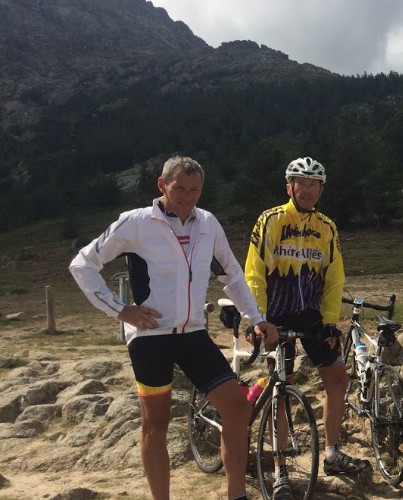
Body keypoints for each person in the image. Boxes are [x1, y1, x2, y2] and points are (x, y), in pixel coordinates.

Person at [69, 155, 277, 500]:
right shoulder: (136, 222)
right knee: (157, 424)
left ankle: (236, 495)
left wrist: (256, 318)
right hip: (150, 337)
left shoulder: (208, 223)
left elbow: (232, 276)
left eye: (195, 190)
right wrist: (121, 310)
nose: (187, 196)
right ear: (162, 184)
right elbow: (83, 264)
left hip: (193, 333)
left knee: (238, 408)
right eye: (179, 188)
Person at [244, 157, 369, 498]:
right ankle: (280, 467)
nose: (308, 189)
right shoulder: (270, 220)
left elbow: (334, 278)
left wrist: (330, 322)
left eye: (314, 184)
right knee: (281, 390)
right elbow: (253, 273)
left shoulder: (327, 227)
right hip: (275, 318)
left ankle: (330, 452)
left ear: (321, 189)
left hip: (312, 318)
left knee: (338, 378)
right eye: (301, 183)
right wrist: (257, 319)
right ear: (290, 187)